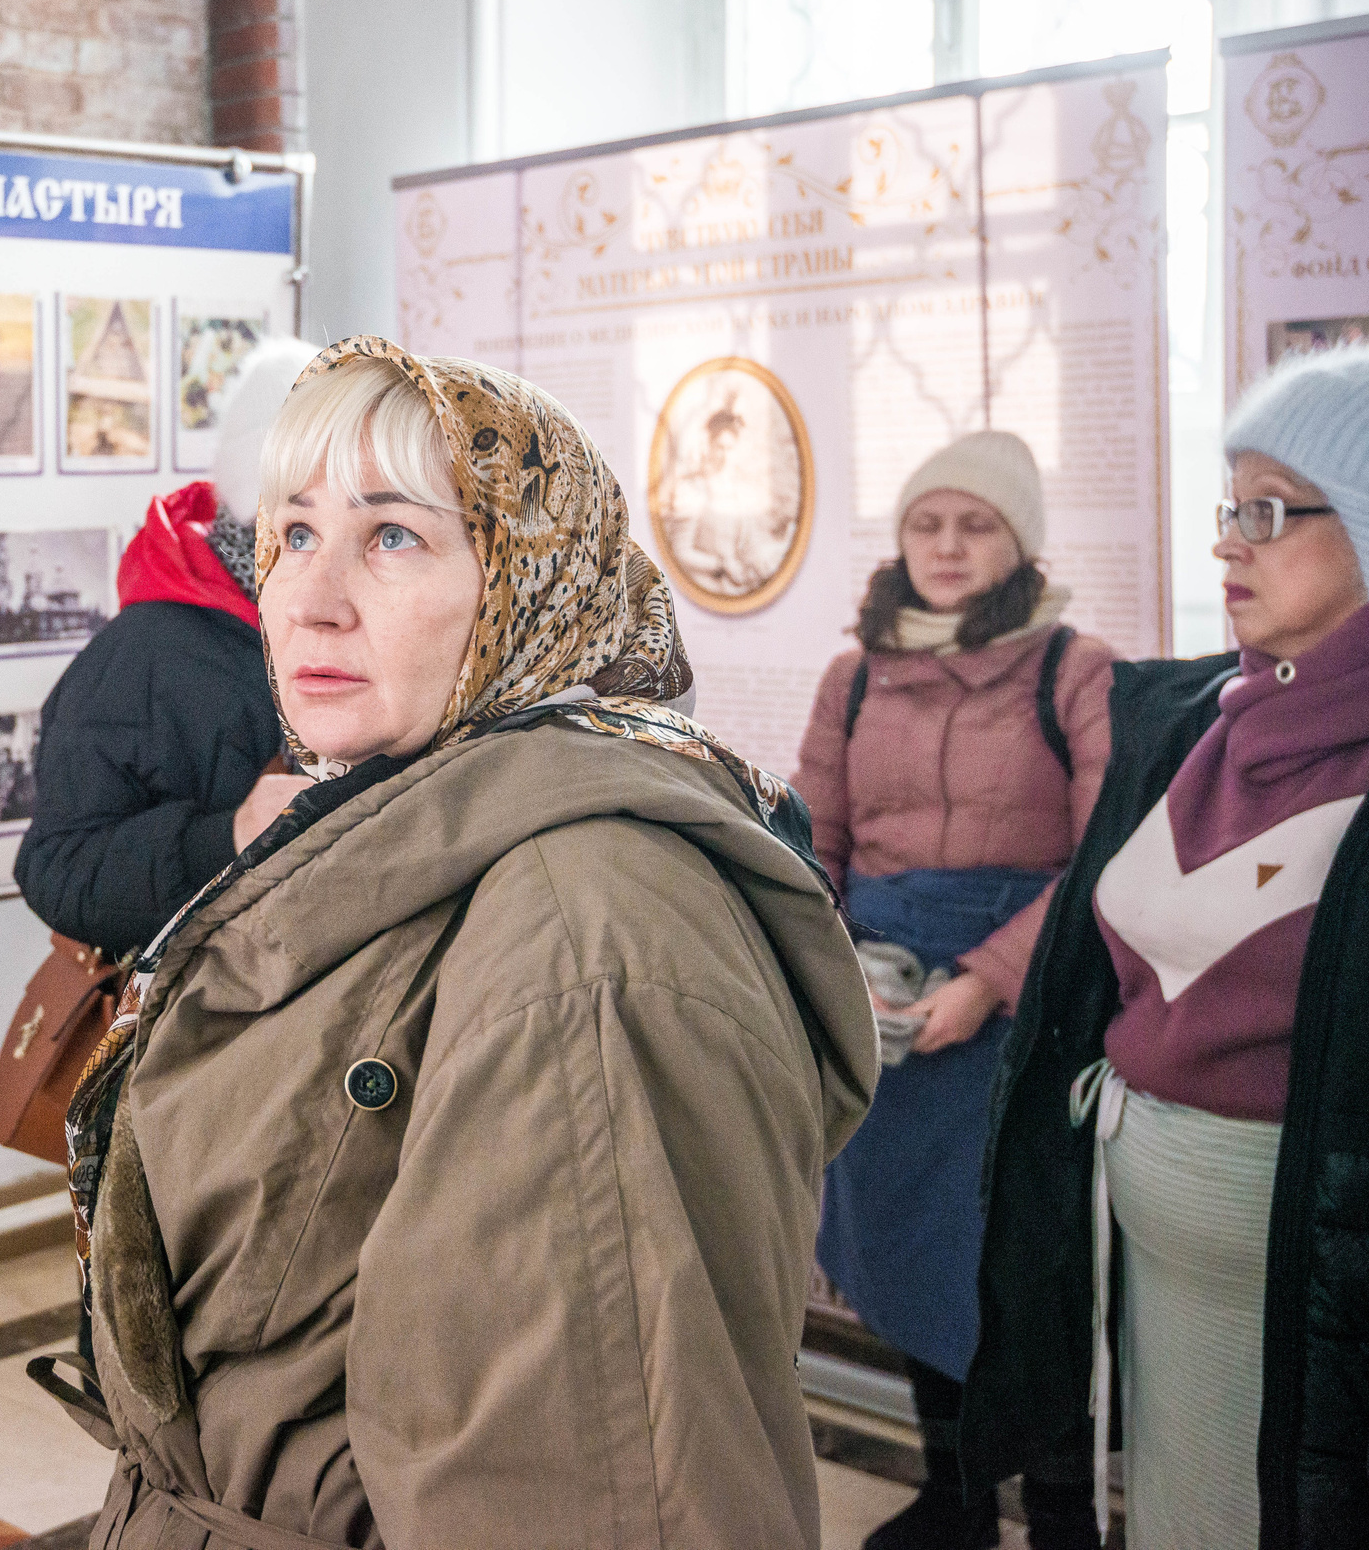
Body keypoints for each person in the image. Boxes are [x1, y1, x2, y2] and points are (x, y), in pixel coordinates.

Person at [43, 336, 879, 1546]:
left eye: (392, 536)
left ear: (530, 583)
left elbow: (598, 1497)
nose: (314, 596)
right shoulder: (395, 819)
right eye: (291, 535)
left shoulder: (584, 935)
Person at [963, 348, 1369, 1548]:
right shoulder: (1189, 721)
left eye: (1268, 510)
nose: (1227, 543)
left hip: (1321, 1318)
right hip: (1149, 1266)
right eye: (1228, 508)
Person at [796, 431, 1113, 1550]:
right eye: (926, 523)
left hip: (1018, 1021)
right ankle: (957, 1497)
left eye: (973, 524)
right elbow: (810, 849)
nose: (945, 545)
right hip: (883, 1015)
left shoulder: (1073, 668)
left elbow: (1103, 858)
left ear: (1016, 542)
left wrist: (987, 980)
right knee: (904, 1252)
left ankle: (1065, 1514)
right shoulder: (851, 679)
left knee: (1030, 1268)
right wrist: (835, 972)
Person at [14, 337, 316, 957]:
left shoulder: (371, 630)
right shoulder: (144, 655)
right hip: (201, 1016)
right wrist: (228, 836)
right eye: (305, 520)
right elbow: (57, 865)